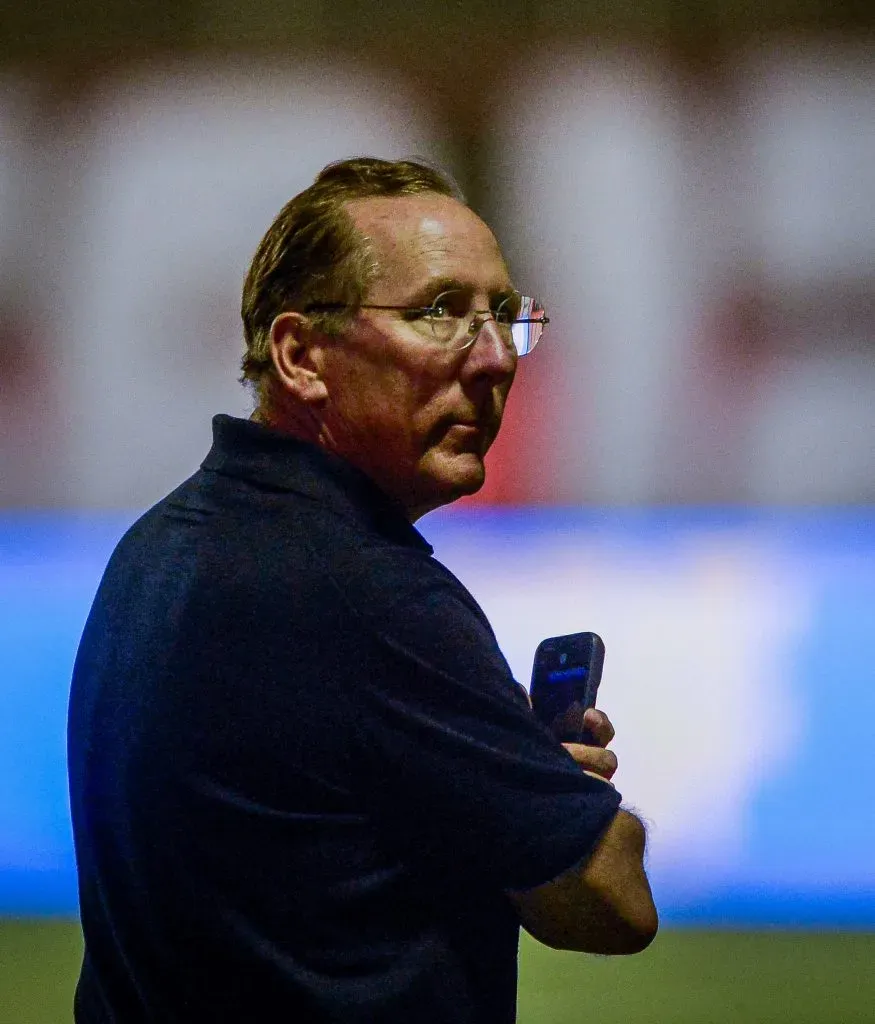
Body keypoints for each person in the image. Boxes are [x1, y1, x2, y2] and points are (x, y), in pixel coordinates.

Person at [67, 157, 657, 1023]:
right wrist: (562, 797)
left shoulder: (158, 546)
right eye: (439, 313)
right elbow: (608, 903)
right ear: (302, 355)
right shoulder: (371, 596)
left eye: (502, 316)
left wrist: (495, 776)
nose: (494, 359)